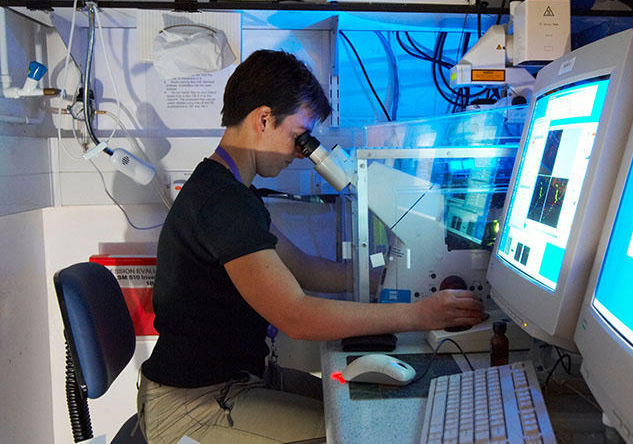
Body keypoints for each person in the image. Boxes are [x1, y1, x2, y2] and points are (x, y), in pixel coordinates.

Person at [136, 49, 485, 444]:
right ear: (263, 118)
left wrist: (394, 276)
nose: (302, 153)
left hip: (239, 381)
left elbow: (305, 268)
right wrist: (418, 315)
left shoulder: (231, 191)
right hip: (194, 407)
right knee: (359, 433)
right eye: (298, 135)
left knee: (358, 405)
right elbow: (297, 317)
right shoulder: (223, 202)